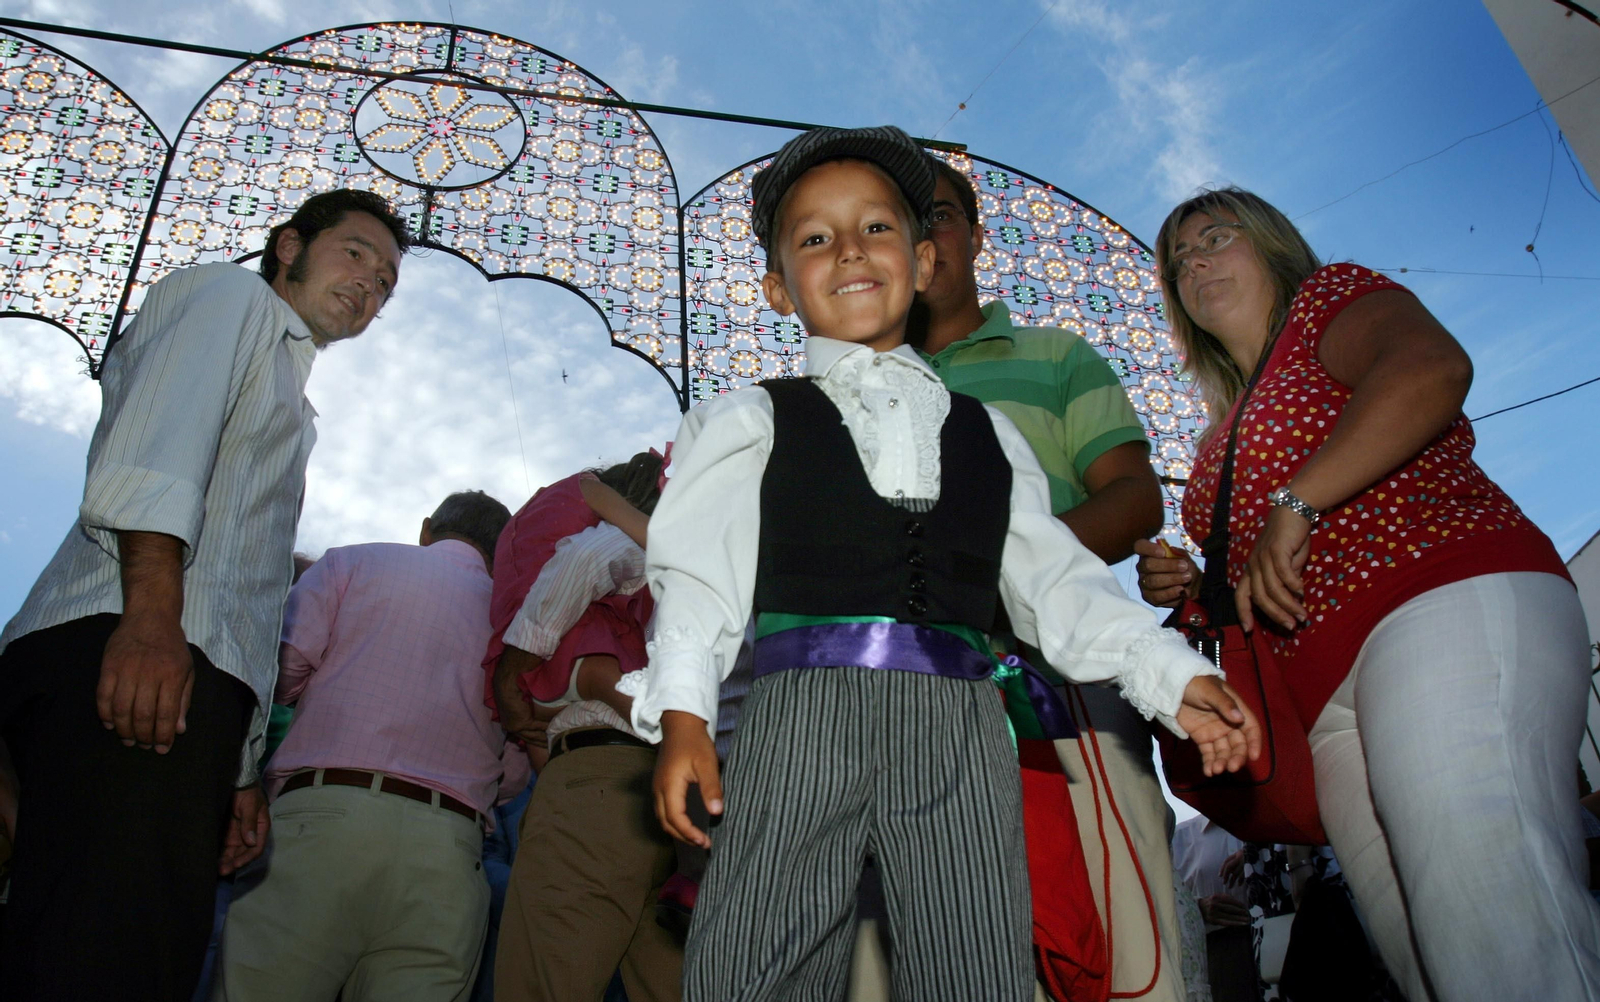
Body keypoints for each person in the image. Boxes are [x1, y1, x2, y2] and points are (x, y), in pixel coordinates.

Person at [629, 124, 1261, 1002]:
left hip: (963, 726)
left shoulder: (988, 435)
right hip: (799, 716)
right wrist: (684, 715)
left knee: (974, 957)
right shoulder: (747, 420)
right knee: (760, 951)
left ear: (924, 260)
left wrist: (1167, 673)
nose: (850, 249)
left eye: (876, 227)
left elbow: (1054, 579)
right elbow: (699, 579)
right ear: (778, 287)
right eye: (815, 238)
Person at [1133, 186, 1599, 1001]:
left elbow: (1430, 368)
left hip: (1435, 594)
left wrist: (1297, 502)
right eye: (1178, 261)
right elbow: (1258, 566)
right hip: (1320, 696)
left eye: (1215, 238)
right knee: (1427, 960)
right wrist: (1193, 583)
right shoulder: (1220, 431)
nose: (1195, 263)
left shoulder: (1327, 301)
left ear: (1270, 244)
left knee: (1494, 912)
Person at [0, 187, 407, 1001]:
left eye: (386, 282)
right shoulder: (229, 298)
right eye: (356, 253)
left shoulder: (291, 398)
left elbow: (248, 591)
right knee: (102, 952)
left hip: (177, 673)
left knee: (126, 945)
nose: (370, 283)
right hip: (133, 649)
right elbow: (157, 449)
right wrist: (152, 622)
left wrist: (241, 770)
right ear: (289, 246)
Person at [913, 154, 1185, 1002]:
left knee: (1122, 926)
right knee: (938, 942)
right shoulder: (844, 393)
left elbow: (1134, 498)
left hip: (1063, 675)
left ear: (975, 236)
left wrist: (1000, 582)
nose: (920, 236)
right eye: (894, 220)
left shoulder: (1057, 355)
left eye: (938, 214)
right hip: (906, 696)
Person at [212, 491, 524, 1001]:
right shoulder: (513, 627)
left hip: (323, 819)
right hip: (450, 850)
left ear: (427, 529)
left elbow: (279, 671)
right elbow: (512, 772)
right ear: (501, 553)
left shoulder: (352, 563)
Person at [487, 457, 684, 1002]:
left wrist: (513, 668)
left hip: (599, 780)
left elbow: (587, 557)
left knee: (543, 984)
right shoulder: (693, 577)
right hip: (676, 799)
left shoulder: (641, 545)